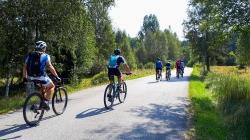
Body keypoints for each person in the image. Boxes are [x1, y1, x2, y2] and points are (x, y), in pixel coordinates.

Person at [23, 41, 60, 110]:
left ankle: (40, 102)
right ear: (43, 48)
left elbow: (25, 66)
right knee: (52, 86)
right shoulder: (46, 55)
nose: (45, 49)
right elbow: (49, 66)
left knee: (42, 87)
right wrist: (56, 76)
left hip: (31, 77)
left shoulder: (30, 55)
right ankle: (45, 103)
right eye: (45, 47)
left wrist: (25, 77)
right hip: (41, 77)